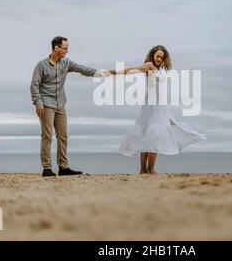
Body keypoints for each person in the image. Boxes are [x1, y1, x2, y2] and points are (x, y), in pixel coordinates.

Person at [30, 36, 153, 177]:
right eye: (65, 48)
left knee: (63, 136)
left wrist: (100, 73)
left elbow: (82, 69)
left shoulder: (66, 63)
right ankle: (47, 168)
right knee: (47, 137)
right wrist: (38, 102)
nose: (67, 51)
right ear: (56, 48)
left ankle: (63, 167)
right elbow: (34, 85)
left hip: (60, 104)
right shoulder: (42, 65)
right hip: (46, 105)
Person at [118, 45, 207, 174]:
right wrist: (115, 72)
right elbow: (132, 70)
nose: (159, 58)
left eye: (162, 57)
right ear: (152, 55)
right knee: (152, 134)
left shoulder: (162, 69)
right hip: (151, 104)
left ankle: (146, 169)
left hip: (160, 104)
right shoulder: (148, 66)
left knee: (151, 134)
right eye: (157, 56)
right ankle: (147, 169)